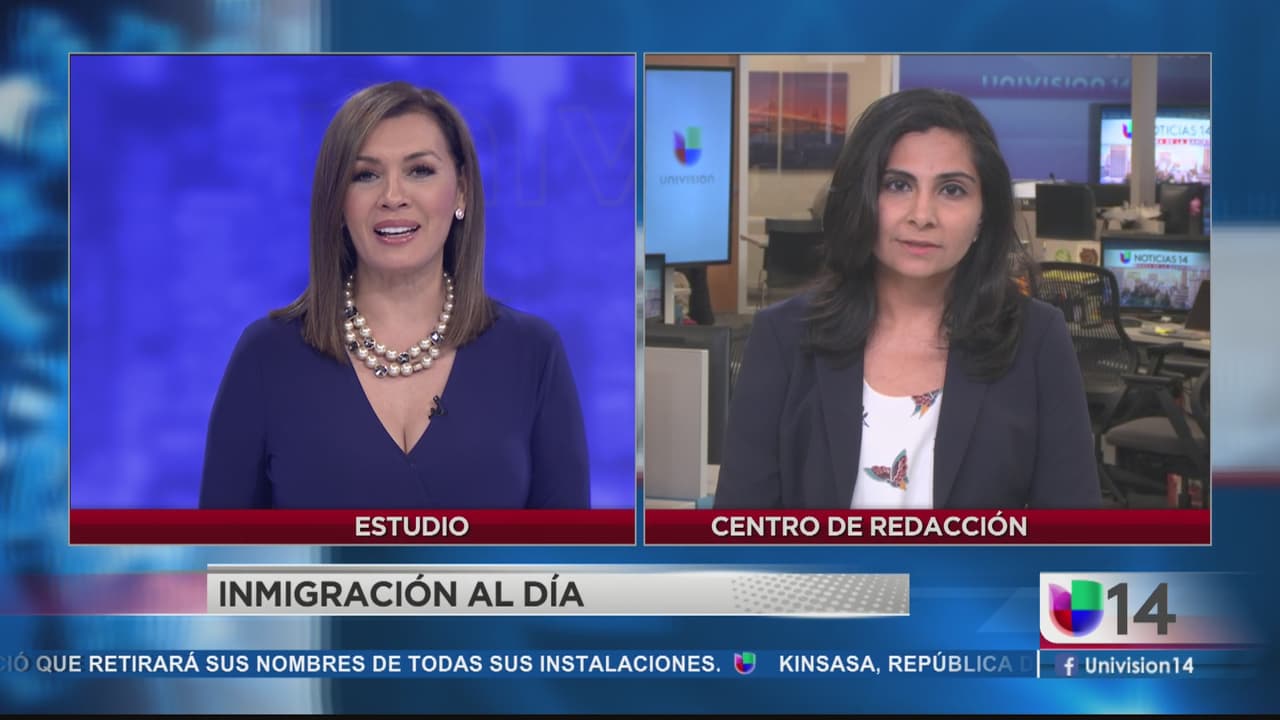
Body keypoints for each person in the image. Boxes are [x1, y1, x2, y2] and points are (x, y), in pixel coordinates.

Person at [199, 81, 590, 509]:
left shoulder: (532, 353)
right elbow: (220, 548)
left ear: (461, 190)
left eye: (419, 170)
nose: (392, 197)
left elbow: (568, 548)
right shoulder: (267, 356)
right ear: (337, 202)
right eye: (365, 175)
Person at [714, 88, 1100, 509]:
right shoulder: (783, 337)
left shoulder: (1036, 340)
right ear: (862, 197)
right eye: (898, 185)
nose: (922, 215)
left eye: (952, 190)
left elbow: (1072, 534)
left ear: (983, 214)